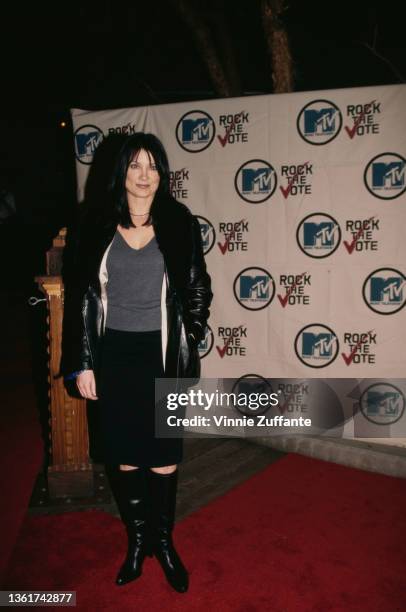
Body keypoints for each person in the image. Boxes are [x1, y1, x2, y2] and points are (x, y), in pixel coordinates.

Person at [61, 132, 213, 593]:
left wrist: (192, 333)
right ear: (122, 172)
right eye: (135, 166)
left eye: (153, 165)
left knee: (163, 455)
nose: (145, 175)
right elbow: (80, 299)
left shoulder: (179, 220)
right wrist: (82, 362)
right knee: (126, 455)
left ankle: (164, 544)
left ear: (162, 173)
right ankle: (138, 541)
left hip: (161, 353)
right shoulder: (94, 223)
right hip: (114, 355)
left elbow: (197, 286)